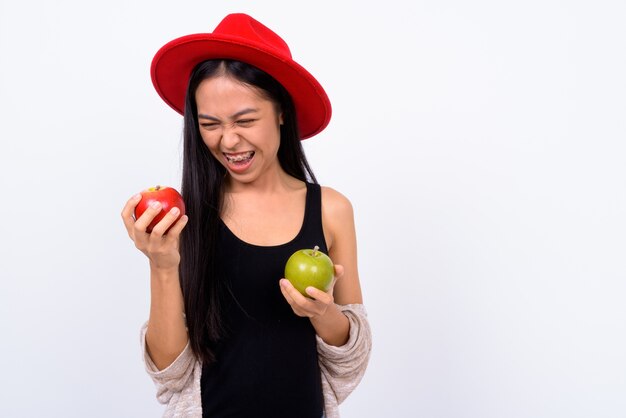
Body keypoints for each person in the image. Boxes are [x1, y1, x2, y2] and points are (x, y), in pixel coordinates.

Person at [121, 13, 371, 418]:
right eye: (210, 124)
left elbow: (351, 360)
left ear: (281, 112)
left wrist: (323, 314)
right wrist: (162, 264)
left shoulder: (331, 209)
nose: (229, 140)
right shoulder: (183, 218)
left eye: (245, 120)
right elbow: (170, 374)